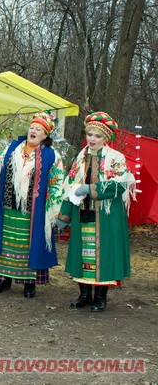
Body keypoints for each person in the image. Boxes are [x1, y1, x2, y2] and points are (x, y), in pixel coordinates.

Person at [57, 112, 134, 312]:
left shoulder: (116, 158)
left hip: (106, 216)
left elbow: (119, 186)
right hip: (83, 212)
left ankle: (100, 296)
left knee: (103, 254)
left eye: (97, 136)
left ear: (106, 138)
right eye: (89, 134)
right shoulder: (80, 157)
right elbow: (69, 185)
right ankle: (84, 294)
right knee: (84, 253)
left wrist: (90, 189)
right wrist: (64, 215)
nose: (92, 139)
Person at [0, 112, 65, 298]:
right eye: (32, 127)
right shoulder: (13, 148)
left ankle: (30, 283)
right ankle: (3, 279)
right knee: (6, 244)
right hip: (9, 204)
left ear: (45, 135)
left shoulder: (52, 155)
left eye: (38, 129)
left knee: (29, 244)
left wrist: (52, 208)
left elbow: (56, 182)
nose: (33, 131)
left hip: (33, 210)